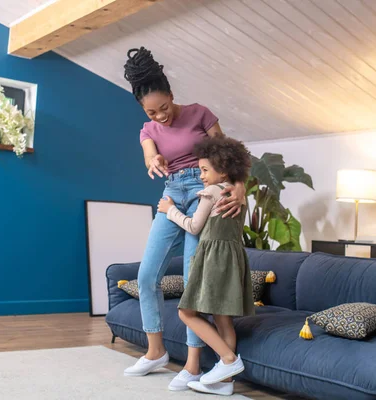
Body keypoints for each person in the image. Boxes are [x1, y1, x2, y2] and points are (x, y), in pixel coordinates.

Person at [122, 47, 247, 392]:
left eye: (164, 107)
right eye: (151, 111)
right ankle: (155, 351)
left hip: (204, 189)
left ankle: (192, 365)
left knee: (193, 282)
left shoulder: (199, 114)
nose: (161, 116)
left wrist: (239, 188)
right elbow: (150, 152)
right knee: (147, 275)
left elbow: (229, 156)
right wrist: (153, 160)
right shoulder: (148, 130)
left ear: (173, 96)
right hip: (172, 194)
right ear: (142, 110)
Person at [157, 136, 254, 396]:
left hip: (213, 259)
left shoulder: (211, 192)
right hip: (233, 258)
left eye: (204, 170)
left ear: (222, 170)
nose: (200, 175)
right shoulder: (239, 194)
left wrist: (169, 210)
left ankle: (229, 360)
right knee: (224, 320)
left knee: (186, 313)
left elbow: (193, 226)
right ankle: (224, 384)